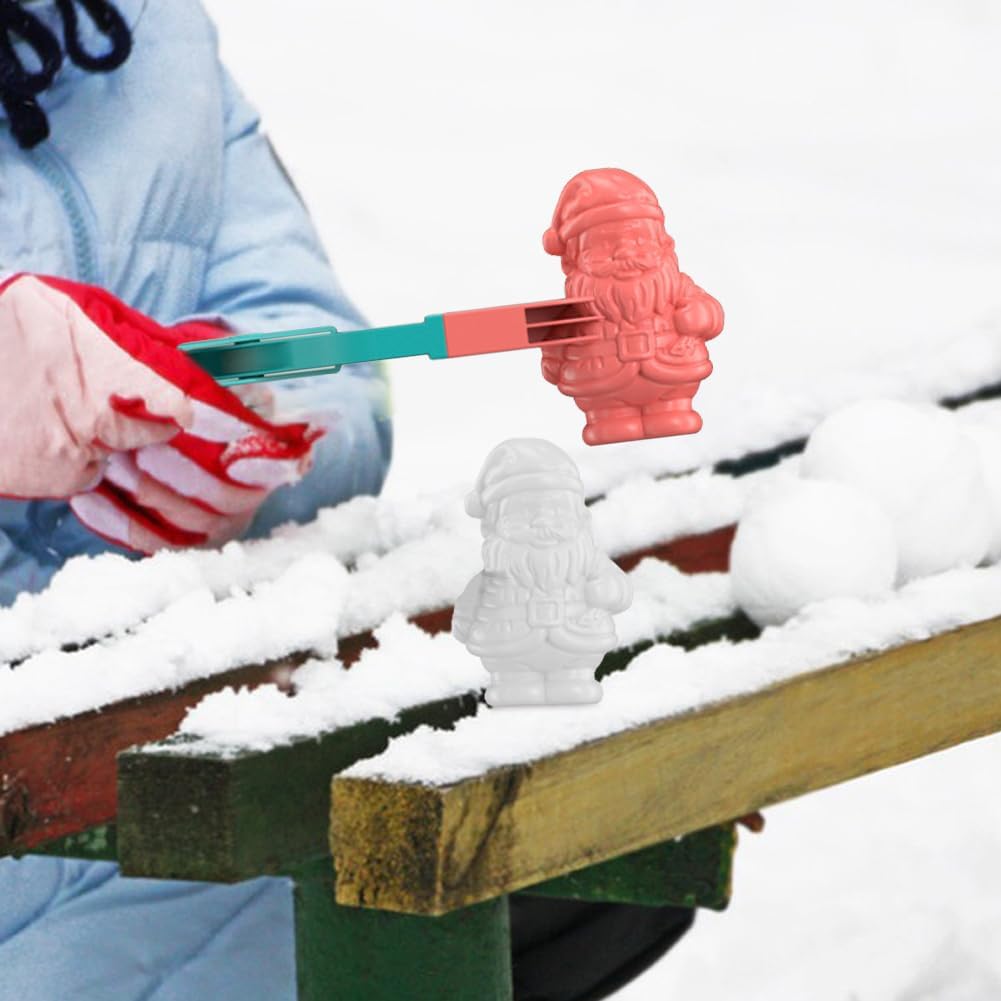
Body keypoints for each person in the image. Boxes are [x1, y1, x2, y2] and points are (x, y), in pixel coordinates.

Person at [0, 3, 694, 998]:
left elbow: (318, 347)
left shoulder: (151, 37)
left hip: (198, 757)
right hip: (48, 828)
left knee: (599, 820)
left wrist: (266, 438)